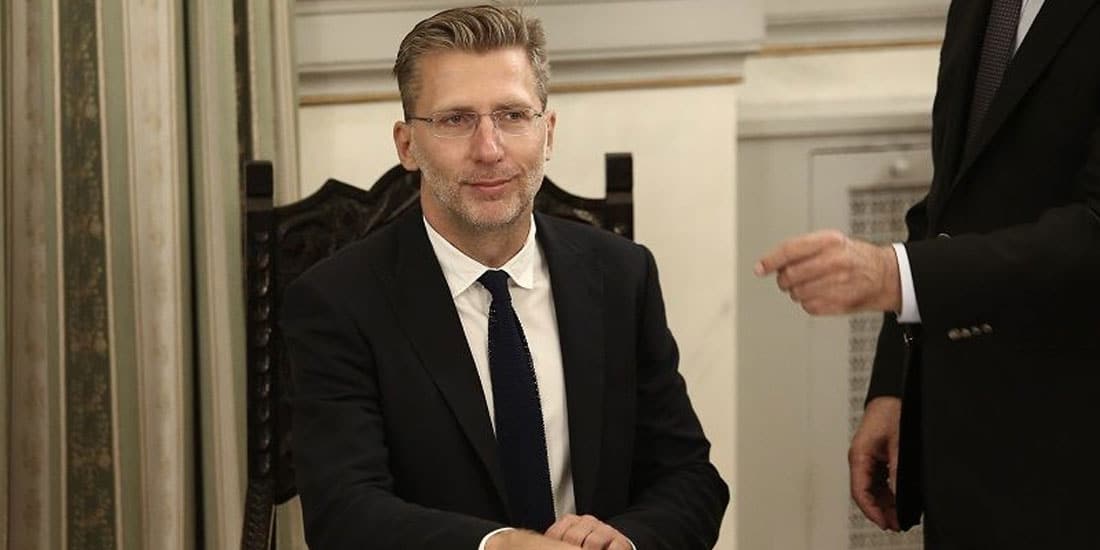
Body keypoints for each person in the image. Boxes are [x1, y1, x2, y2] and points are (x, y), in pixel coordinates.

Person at [281, 5, 728, 550]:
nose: (489, 149)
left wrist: (626, 542)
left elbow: (690, 479)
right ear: (406, 145)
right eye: (455, 119)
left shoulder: (621, 274)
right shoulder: (336, 301)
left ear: (548, 133)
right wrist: (500, 545)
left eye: (513, 115)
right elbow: (343, 513)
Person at [755, 0, 1100, 547]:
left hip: (1074, 460)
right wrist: (897, 384)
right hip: (965, 456)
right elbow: (952, 198)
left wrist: (892, 276)